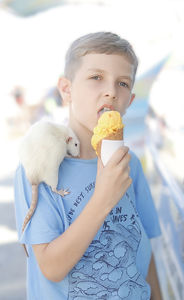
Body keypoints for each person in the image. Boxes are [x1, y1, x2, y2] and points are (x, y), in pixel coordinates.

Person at [14, 32, 162, 300]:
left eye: (123, 83)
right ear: (66, 90)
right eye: (96, 77)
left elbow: (144, 250)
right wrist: (103, 197)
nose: (111, 91)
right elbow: (51, 267)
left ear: (130, 101)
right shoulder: (40, 167)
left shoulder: (131, 165)